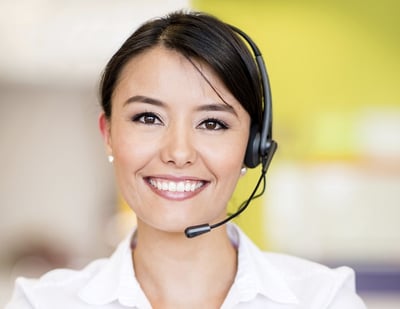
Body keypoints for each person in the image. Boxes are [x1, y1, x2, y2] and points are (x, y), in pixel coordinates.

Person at [6, 11, 366, 308]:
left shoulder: (322, 299)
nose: (178, 153)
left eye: (212, 123)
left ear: (254, 146)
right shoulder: (43, 303)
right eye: (148, 118)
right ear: (109, 134)